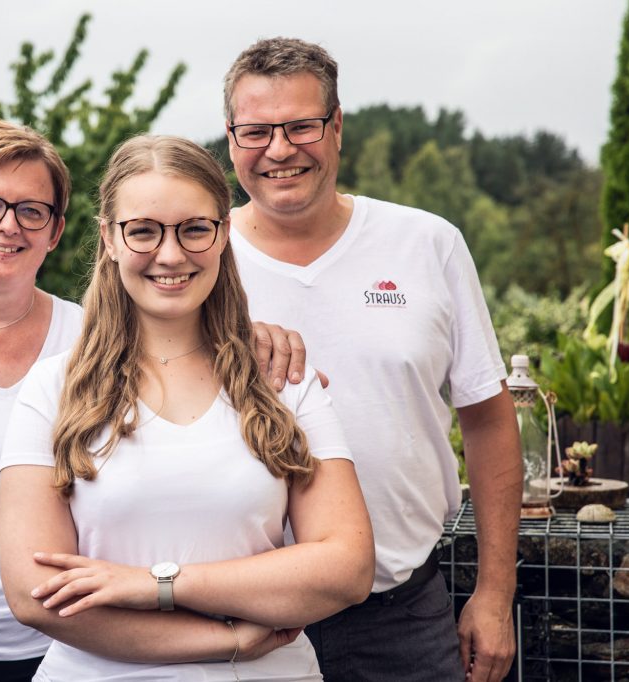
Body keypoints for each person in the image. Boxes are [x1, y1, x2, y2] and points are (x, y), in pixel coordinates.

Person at [0, 120, 310, 682]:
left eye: (32, 211)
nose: (9, 226)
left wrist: (251, 337)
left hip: (75, 643)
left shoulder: (94, 343)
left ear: (56, 230)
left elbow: (187, 346)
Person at [0, 134, 374, 681]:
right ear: (109, 238)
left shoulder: (282, 382)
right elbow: (35, 596)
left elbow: (346, 568)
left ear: (223, 234)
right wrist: (227, 641)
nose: (170, 255)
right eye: (143, 230)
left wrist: (155, 584)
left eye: (195, 229)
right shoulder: (52, 391)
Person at [221, 38, 523, 682]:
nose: (279, 149)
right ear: (230, 138)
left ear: (336, 129)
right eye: (256, 131)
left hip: (401, 614)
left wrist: (495, 594)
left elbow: (491, 421)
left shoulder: (428, 244)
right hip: (238, 617)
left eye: (301, 125)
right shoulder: (195, 260)